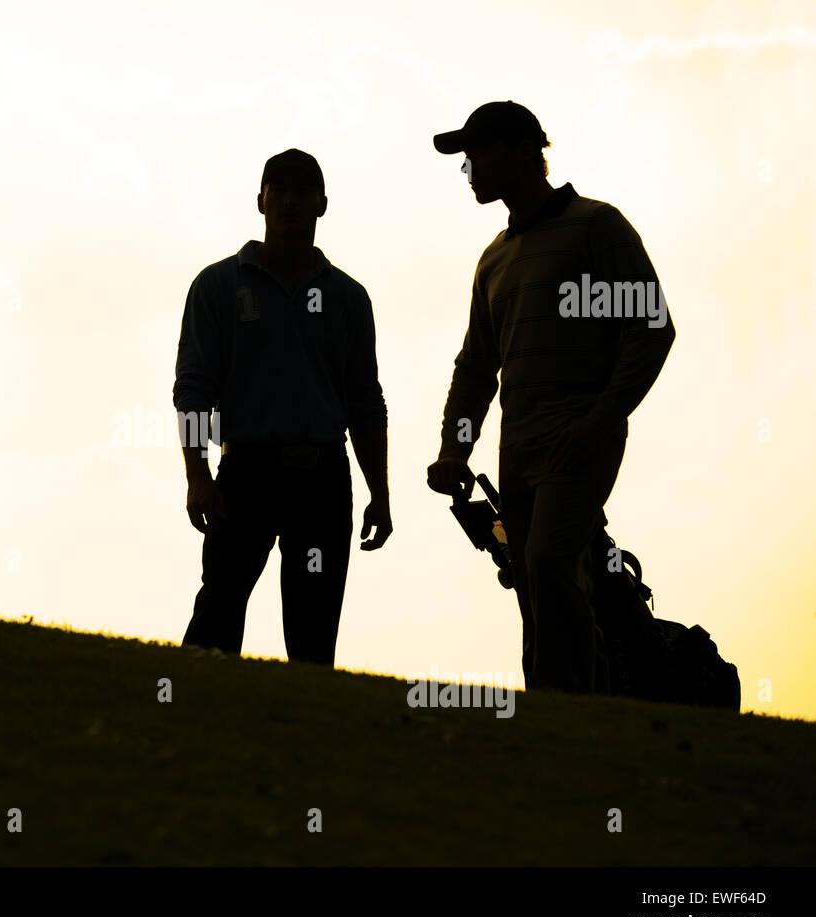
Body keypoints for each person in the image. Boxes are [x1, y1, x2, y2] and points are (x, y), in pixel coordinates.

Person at [426, 101, 676, 693]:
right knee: (534, 586)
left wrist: (598, 421)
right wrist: (455, 450)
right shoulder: (494, 259)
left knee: (551, 567)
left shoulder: (596, 228)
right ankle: (561, 717)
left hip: (578, 443)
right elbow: (476, 368)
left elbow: (652, 327)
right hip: (518, 452)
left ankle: (576, 712)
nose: (469, 170)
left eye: (476, 155)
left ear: (520, 150)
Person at [172, 148, 392, 666]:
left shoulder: (348, 298)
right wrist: (197, 474)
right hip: (245, 472)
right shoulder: (219, 286)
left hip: (322, 478)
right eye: (281, 191)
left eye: (303, 192)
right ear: (261, 201)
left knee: (314, 631)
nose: (291, 202)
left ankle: (307, 735)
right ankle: (188, 719)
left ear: (322, 204)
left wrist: (379, 491)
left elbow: (365, 401)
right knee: (217, 615)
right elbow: (194, 388)